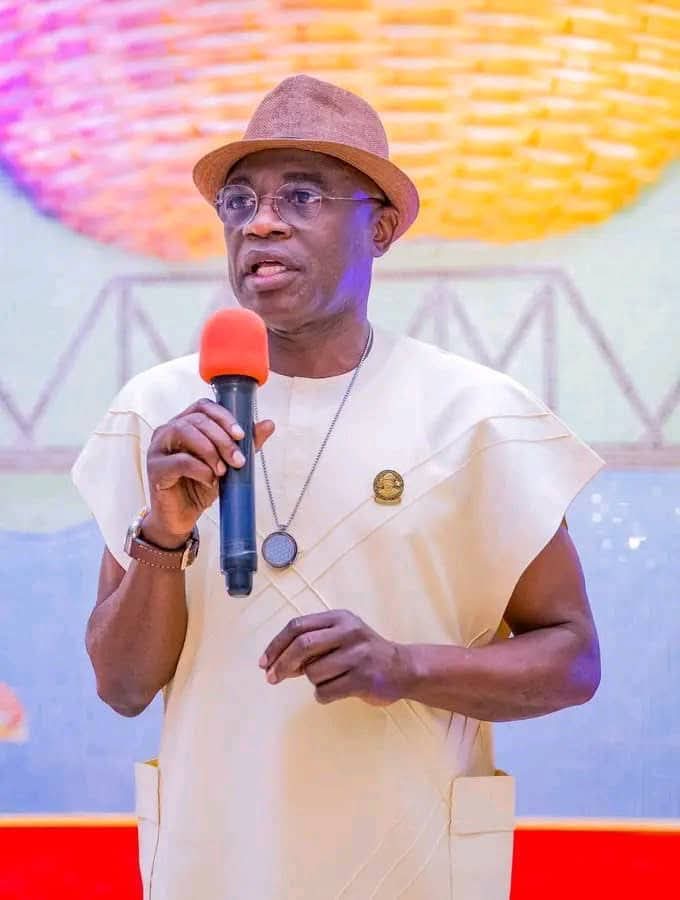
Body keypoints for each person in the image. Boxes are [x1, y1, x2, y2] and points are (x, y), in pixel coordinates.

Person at [72, 74, 604, 900]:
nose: (261, 222)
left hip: (413, 867)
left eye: (302, 196)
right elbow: (122, 686)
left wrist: (404, 666)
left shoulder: (474, 416)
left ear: (380, 228)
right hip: (212, 867)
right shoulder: (157, 413)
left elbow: (572, 661)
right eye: (240, 202)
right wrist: (163, 536)